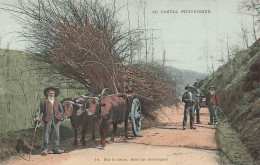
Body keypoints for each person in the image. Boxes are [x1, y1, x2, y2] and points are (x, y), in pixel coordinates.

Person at [35, 87, 65, 155]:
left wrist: (61, 116)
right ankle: (45, 149)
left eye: (53, 93)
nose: (52, 95)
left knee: (56, 134)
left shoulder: (57, 102)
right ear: (47, 94)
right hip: (47, 119)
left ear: (55, 94)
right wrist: (37, 116)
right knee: (46, 134)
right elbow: (39, 110)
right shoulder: (44, 101)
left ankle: (55, 149)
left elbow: (61, 110)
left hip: (56, 119)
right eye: (50, 93)